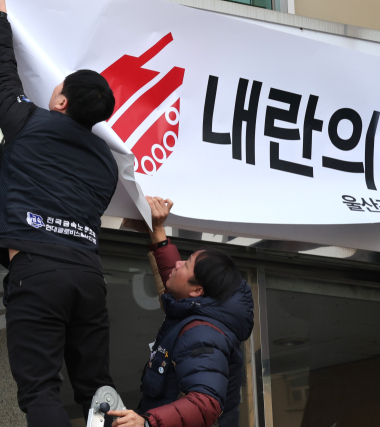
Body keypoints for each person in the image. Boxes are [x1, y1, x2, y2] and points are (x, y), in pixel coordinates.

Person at [0, 1, 119, 426]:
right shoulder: (107, 162)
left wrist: (1, 20)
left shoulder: (28, 122)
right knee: (95, 392)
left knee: (39, 390)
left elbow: (3, 74)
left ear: (62, 100)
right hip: (88, 276)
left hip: (38, 270)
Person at [108, 196, 254, 427]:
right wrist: (157, 232)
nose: (178, 264)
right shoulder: (199, 312)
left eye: (186, 264)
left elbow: (205, 403)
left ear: (198, 290)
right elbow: (173, 281)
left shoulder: (202, 333)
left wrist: (146, 424)